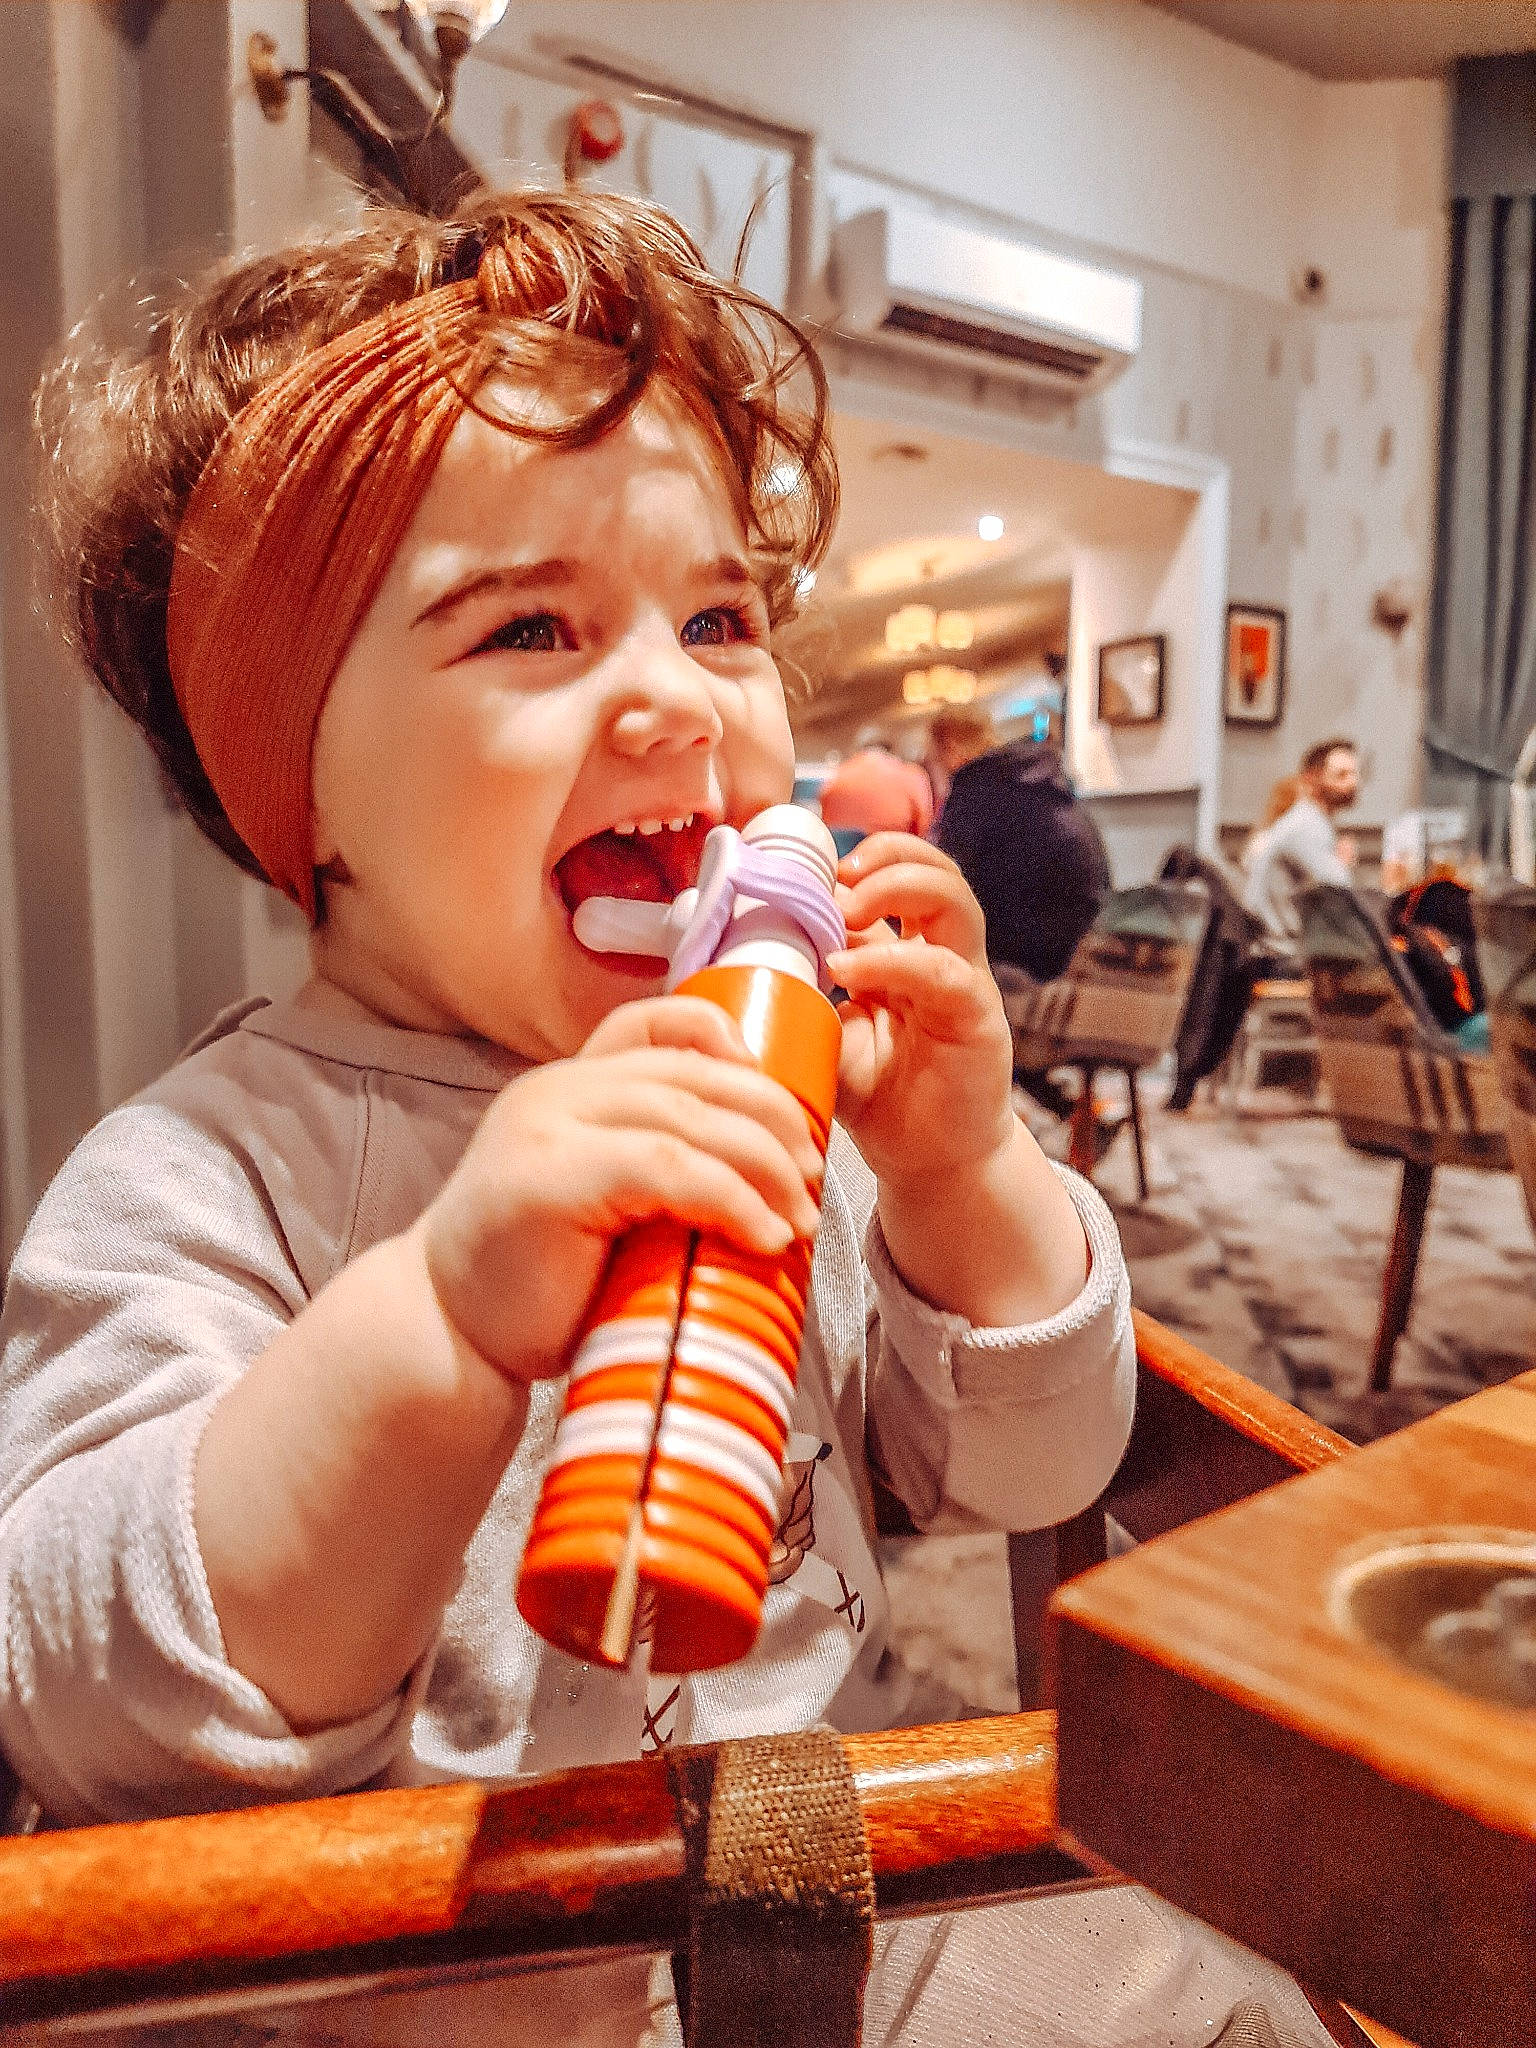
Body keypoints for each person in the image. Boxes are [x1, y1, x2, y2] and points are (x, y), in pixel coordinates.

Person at [3, 187, 1333, 2048]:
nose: (674, 702)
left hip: (775, 1915)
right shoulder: (208, 1171)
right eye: (532, 629)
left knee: (1229, 2005)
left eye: (716, 614)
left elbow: (1035, 1471)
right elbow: (85, 1684)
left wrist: (962, 1172)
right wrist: (446, 1319)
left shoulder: (783, 1107)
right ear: (296, 792)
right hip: (356, 1988)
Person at [933, 713, 1111, 985]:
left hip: (1033, 960)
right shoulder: (1031, 778)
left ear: (950, 747)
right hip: (1088, 938)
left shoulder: (978, 789)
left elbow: (943, 881)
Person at [1242, 738, 1360, 940]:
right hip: (1281, 947)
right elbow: (1341, 894)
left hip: (1281, 938)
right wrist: (1343, 864)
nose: (1353, 783)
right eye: (1341, 775)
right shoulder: (1307, 826)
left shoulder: (1308, 820)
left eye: (1355, 774)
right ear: (1312, 778)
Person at [816, 729, 934, 840]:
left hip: (842, 856)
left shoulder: (837, 777)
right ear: (891, 751)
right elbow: (925, 828)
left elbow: (825, 819)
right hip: (892, 855)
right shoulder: (911, 775)